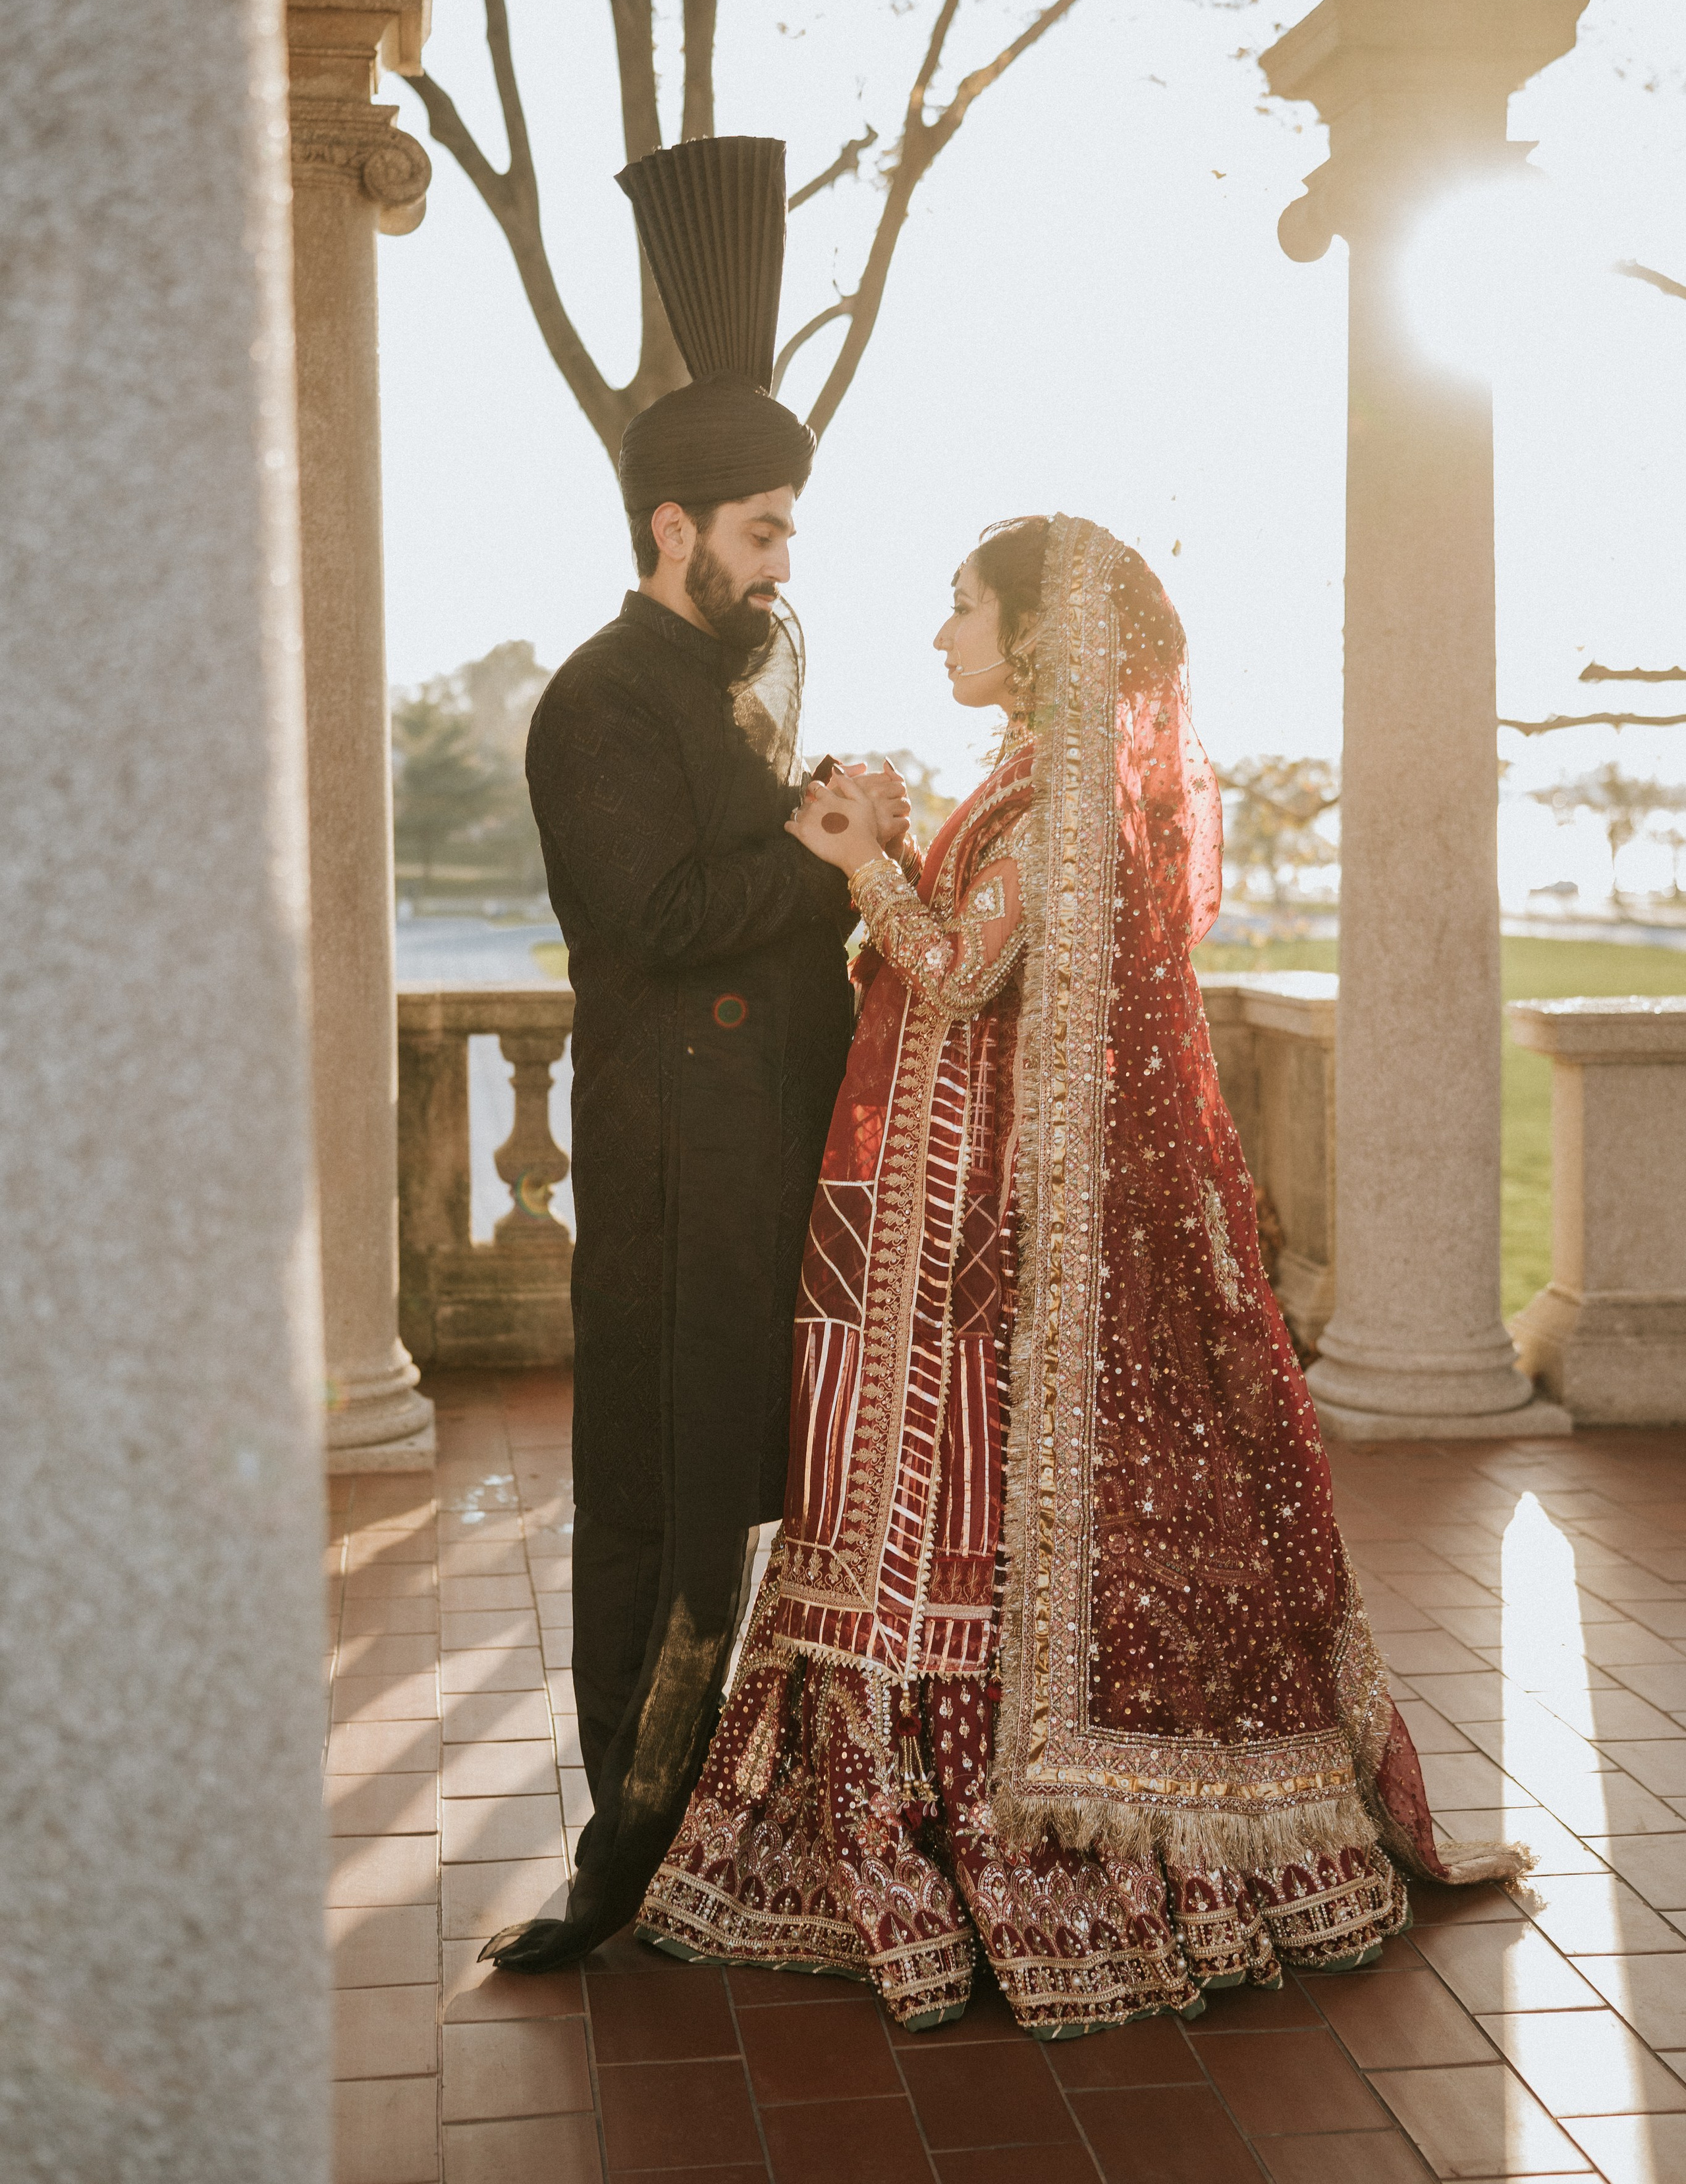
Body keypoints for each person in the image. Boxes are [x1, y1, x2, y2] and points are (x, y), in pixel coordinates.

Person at [636, 510, 1525, 2036]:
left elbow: (966, 968)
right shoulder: (1026, 786)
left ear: (1040, 635)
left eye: (963, 609)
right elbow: (985, 960)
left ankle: (959, 1837)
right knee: (867, 1485)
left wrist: (859, 863)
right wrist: (900, 844)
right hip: (909, 1206)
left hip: (960, 1234)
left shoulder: (1054, 799)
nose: (941, 636)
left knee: (925, 1500)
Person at [484, 138, 909, 1972]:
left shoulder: (734, 682)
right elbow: (646, 921)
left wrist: (816, 818)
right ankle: (626, 1852)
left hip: (780, 1163)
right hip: (675, 1177)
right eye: (761, 531)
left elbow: (743, 874)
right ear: (674, 529)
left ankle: (758, 1828)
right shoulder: (592, 699)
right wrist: (805, 855)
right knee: (662, 1511)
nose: (784, 562)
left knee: (779, 1497)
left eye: (788, 529)